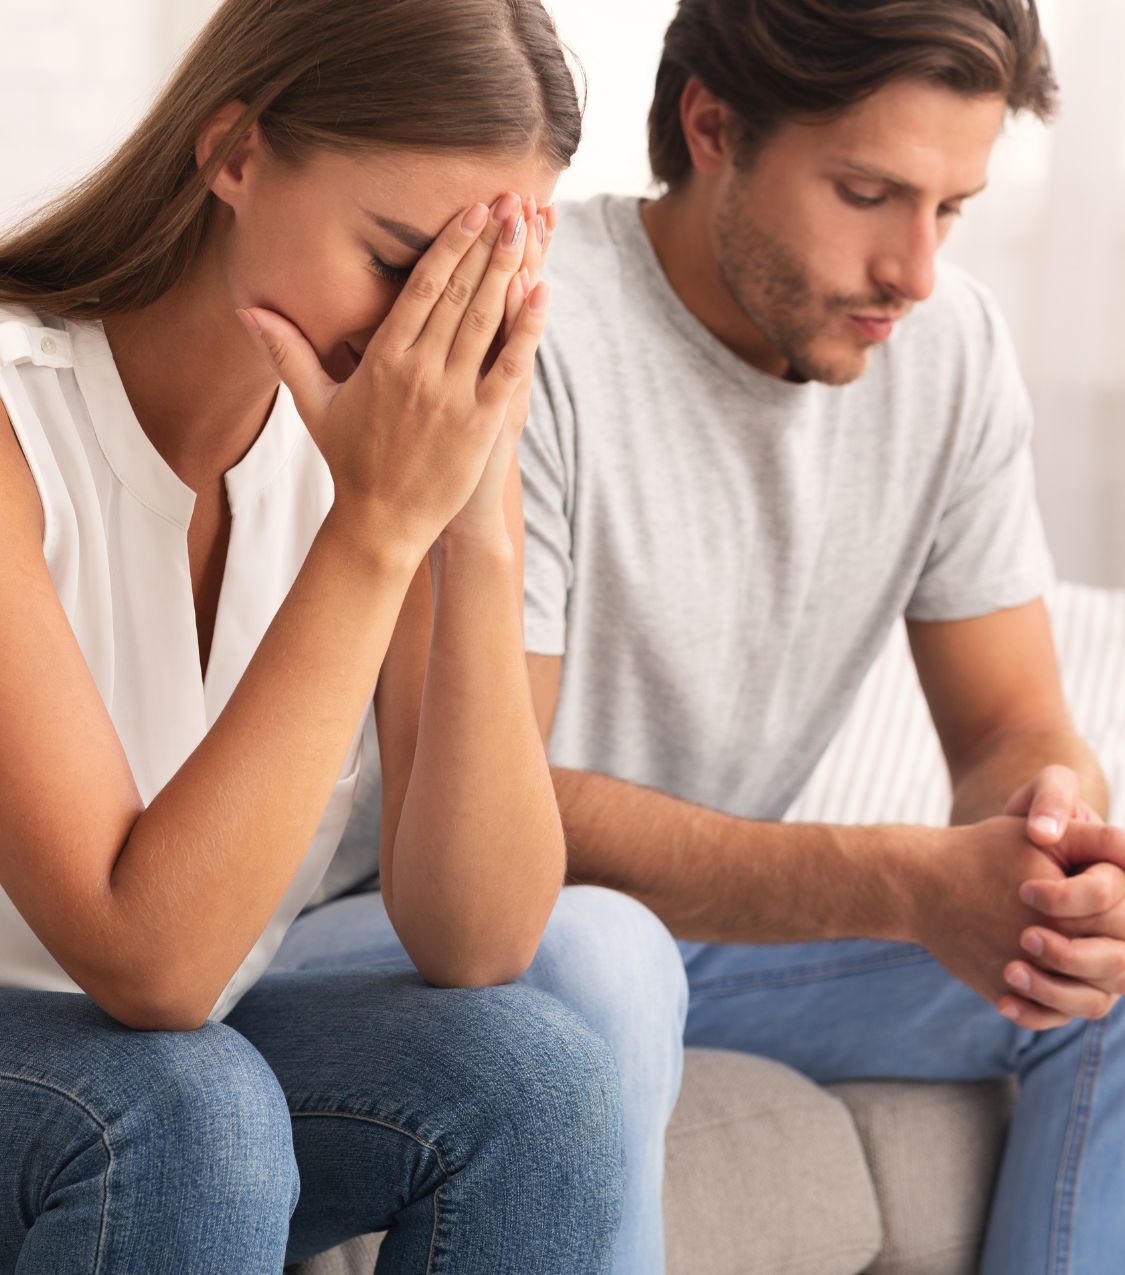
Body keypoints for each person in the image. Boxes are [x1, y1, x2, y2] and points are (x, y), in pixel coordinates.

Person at [0, 1, 688, 1271]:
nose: (423, 334)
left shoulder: (371, 455)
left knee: (536, 1079)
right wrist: (375, 531)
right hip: (95, 1068)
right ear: (237, 154)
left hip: (159, 1066)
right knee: (191, 1110)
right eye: (397, 260)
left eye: (471, 290)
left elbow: (477, 936)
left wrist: (472, 518)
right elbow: (152, 967)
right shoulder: (13, 417)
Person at [519, 0, 1125, 1269]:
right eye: (869, 192)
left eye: (952, 209)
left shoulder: (947, 352)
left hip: (722, 947)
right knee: (599, 948)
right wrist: (905, 884)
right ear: (714, 126)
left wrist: (1052, 844)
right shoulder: (540, 328)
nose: (916, 268)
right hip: (464, 930)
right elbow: (493, 812)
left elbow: (1011, 720)